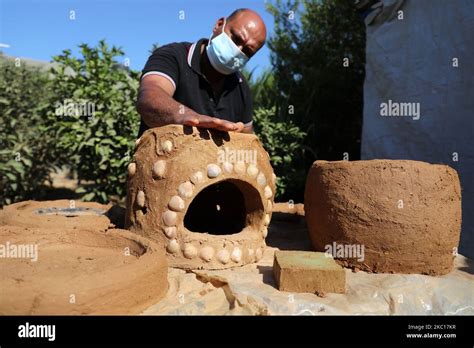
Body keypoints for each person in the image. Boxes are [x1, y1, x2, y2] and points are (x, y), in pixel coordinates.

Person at [136, 8, 267, 137]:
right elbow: (149, 98)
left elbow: (247, 137)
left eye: (247, 51)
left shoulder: (241, 87)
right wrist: (189, 118)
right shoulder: (173, 56)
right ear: (219, 25)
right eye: (236, 39)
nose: (238, 50)